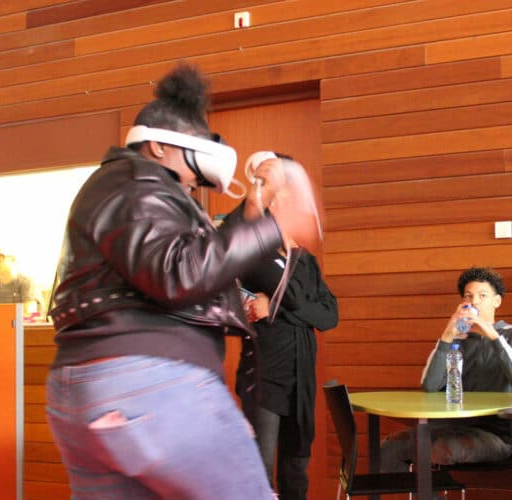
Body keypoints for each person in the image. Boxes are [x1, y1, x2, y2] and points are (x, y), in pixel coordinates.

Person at [44, 63, 320, 499]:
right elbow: (180, 272)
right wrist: (273, 226)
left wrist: (252, 213)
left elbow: (181, 260)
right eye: (190, 166)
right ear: (157, 145)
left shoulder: (120, 187)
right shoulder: (135, 182)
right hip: (148, 381)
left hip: (87, 392)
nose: (194, 180)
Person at [224, 151, 339, 500]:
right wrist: (254, 193)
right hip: (264, 377)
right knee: (259, 471)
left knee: (296, 469)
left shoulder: (307, 261)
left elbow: (329, 316)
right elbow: (296, 296)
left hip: (301, 380)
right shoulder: (256, 251)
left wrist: (272, 306)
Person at [380, 267, 512, 472]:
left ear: (496, 301)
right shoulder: (456, 339)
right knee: (389, 448)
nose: (474, 302)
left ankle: (433, 488)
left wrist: (493, 336)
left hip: (495, 434)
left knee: (443, 449)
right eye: (468, 296)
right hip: (449, 426)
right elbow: (430, 385)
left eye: (482, 296)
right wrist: (447, 336)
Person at [0, 248, 41, 314]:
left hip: (21, 321)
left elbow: (30, 315)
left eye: (0, 256)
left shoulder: (26, 281)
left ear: (13, 259)